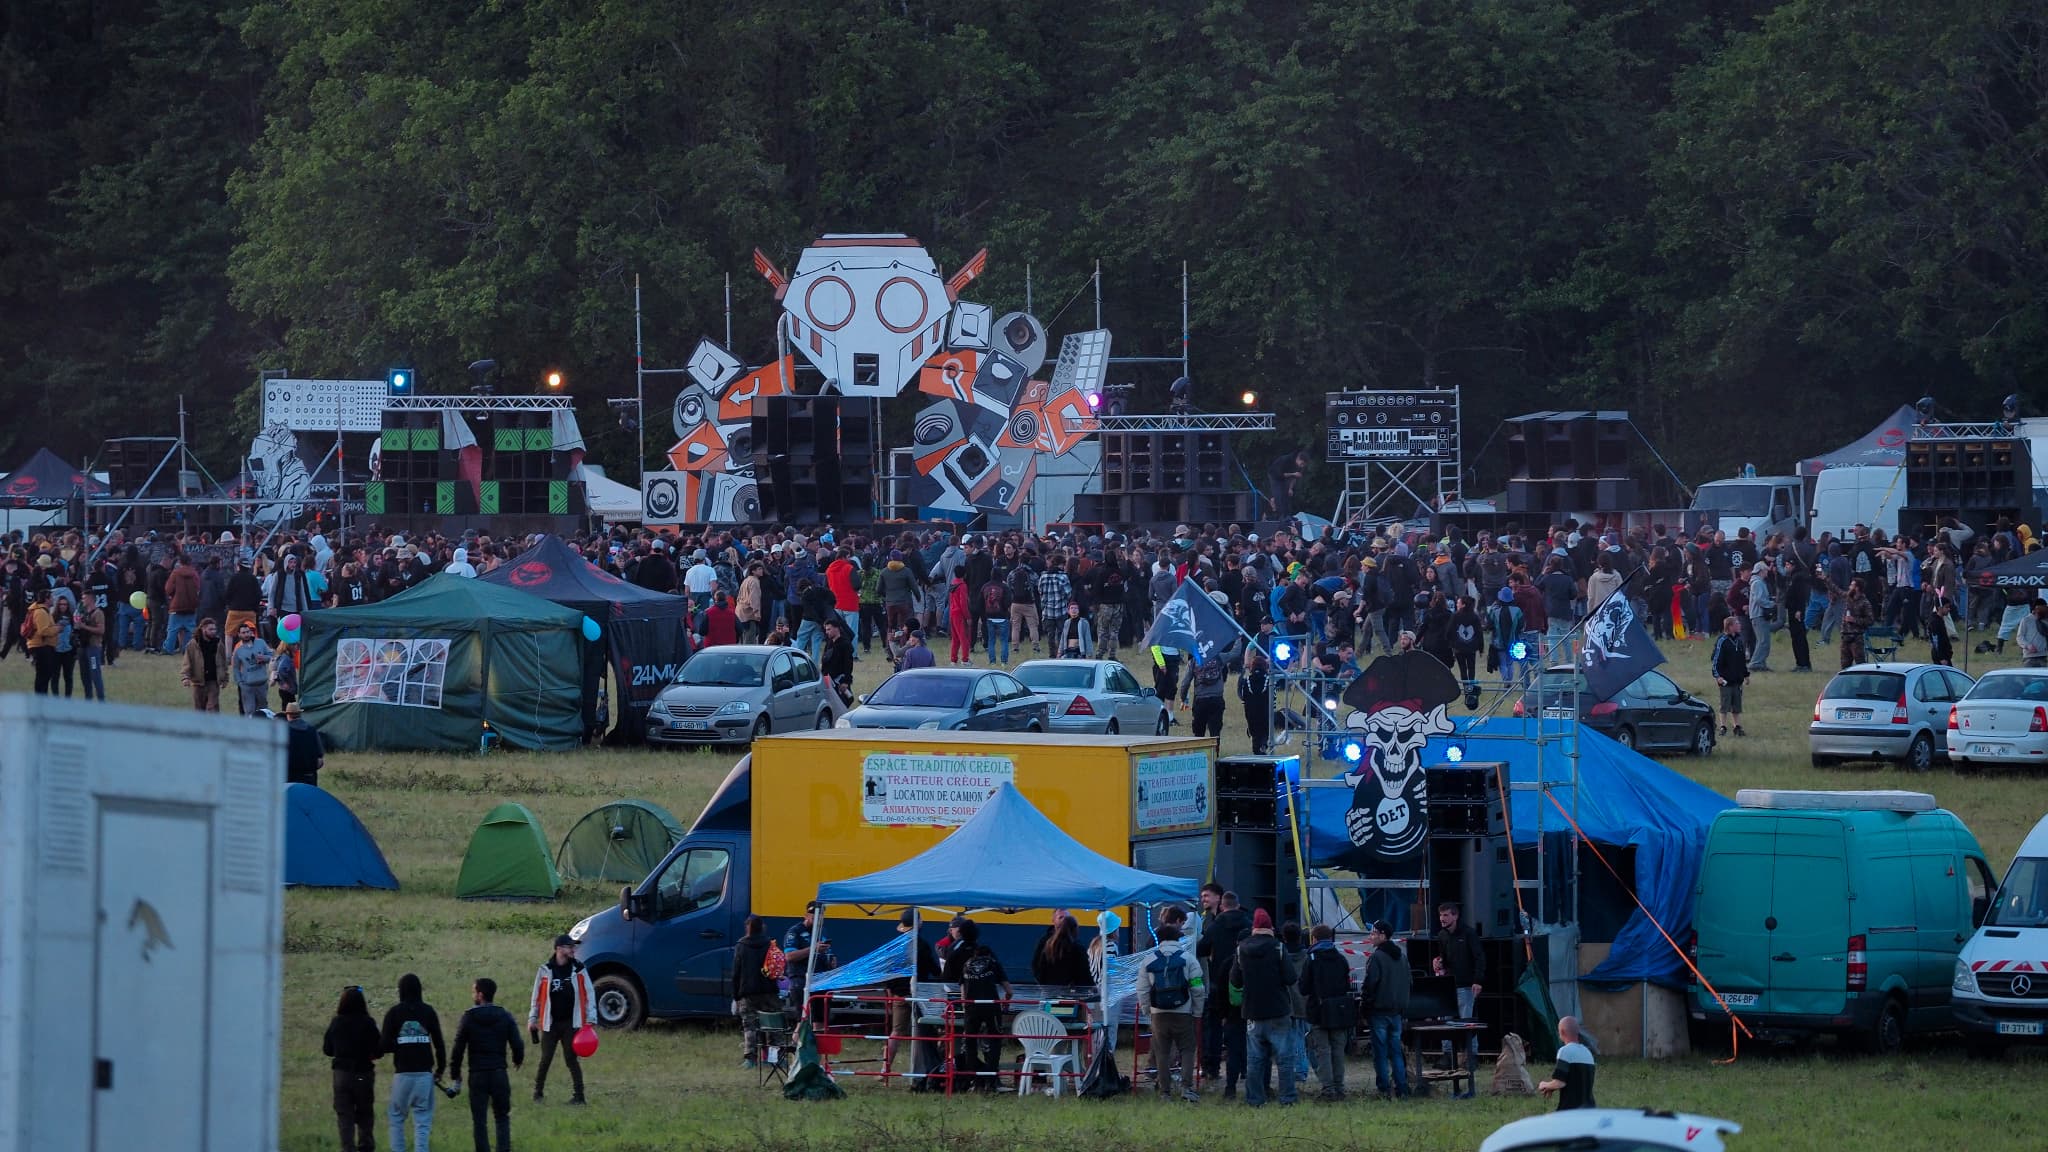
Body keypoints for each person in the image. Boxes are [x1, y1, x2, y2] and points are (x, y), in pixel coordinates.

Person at [450, 977, 524, 1152]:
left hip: (477, 1073)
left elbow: (458, 1046)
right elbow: (517, 1042)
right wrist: (517, 1059)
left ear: (480, 995)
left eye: (474, 991)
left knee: (479, 1120)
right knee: (502, 1117)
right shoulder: (504, 1015)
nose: (472, 994)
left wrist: (455, 1071)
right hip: (499, 1071)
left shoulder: (469, 1017)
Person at [1233, 908, 1299, 1107]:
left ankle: (1255, 1100)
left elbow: (1235, 981)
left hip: (1253, 1010)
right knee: (1285, 1059)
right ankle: (1287, 1099)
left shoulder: (1241, 949)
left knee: (1255, 1060)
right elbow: (1290, 977)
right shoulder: (1278, 948)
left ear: (1253, 927)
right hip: (1278, 1010)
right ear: (1270, 926)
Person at [1139, 920, 1205, 1102]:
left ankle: (1165, 1092)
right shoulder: (1188, 959)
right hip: (1183, 1011)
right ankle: (1186, 1088)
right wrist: (1198, 1012)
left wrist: (1148, 1011)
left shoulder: (1148, 960)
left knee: (1161, 1051)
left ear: (1158, 939)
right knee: (1187, 1049)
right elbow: (1198, 988)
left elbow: (1142, 990)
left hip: (1158, 1013)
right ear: (1178, 938)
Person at [380, 974, 446, 1152]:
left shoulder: (394, 1013)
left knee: (396, 1118)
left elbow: (384, 1045)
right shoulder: (428, 1011)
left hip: (402, 1074)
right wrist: (440, 1069)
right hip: (424, 1074)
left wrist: (401, 1044)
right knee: (422, 1121)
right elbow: (439, 1044)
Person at [526, 934, 593, 1105]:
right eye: (569, 946)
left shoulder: (579, 968)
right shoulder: (545, 970)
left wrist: (591, 1018)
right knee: (546, 1058)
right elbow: (537, 997)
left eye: (573, 946)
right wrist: (532, 1018)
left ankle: (579, 1096)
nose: (573, 949)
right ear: (559, 949)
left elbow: (589, 993)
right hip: (550, 1022)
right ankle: (537, 1093)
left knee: (571, 1059)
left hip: (571, 1022)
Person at [881, 910, 943, 1078]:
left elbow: (889, 971)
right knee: (925, 1030)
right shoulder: (922, 945)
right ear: (919, 923)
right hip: (918, 995)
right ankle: (924, 1068)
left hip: (899, 995)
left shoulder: (895, 946)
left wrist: (890, 990)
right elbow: (935, 970)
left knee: (896, 1032)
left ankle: (884, 1069)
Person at [323, 986, 383, 1152]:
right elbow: (379, 1049)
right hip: (363, 1074)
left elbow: (327, 1049)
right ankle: (366, 1146)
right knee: (365, 1113)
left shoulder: (336, 1022)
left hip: (342, 1074)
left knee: (345, 1116)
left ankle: (348, 1148)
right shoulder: (368, 1022)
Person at [1298, 924, 1354, 1101]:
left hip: (1319, 1011)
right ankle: (1339, 1087)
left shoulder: (1312, 959)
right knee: (1338, 1049)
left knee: (1322, 1050)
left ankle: (1328, 1089)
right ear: (1331, 938)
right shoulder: (1341, 958)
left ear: (1314, 939)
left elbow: (1304, 988)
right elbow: (1347, 985)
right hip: (1339, 1011)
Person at [1432, 901, 1483, 1096]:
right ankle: (1447, 1055)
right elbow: (1444, 957)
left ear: (1455, 916)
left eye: (1446, 915)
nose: (1443, 919)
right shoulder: (1442, 936)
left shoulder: (1468, 934)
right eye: (1441, 916)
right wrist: (1439, 963)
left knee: (1466, 1020)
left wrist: (1478, 980)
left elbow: (1479, 957)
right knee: (1446, 1021)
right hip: (1448, 984)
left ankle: (1471, 1055)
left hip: (1466, 984)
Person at [1361, 920, 1411, 1099]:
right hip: (1396, 1012)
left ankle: (1383, 1088)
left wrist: (1364, 1008)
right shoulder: (1402, 957)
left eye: (1373, 933)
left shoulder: (1377, 957)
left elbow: (1370, 985)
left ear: (1382, 935)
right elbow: (1409, 982)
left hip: (1379, 1012)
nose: (1370, 936)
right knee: (1396, 1051)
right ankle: (1402, 1087)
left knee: (1380, 1053)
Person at [957, 941, 1012, 1092]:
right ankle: (991, 1079)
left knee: (969, 1043)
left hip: (970, 1007)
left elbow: (962, 993)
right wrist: (1006, 1002)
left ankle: (973, 1078)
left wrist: (965, 1009)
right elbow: (1009, 989)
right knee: (994, 1041)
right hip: (990, 1006)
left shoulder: (966, 964)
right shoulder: (993, 963)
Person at [732, 915, 783, 1067]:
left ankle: (750, 1059)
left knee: (750, 1026)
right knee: (773, 1026)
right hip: (769, 991)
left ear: (747, 927)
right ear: (762, 927)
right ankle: (774, 1059)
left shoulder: (741, 945)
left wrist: (735, 996)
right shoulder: (770, 944)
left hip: (748, 993)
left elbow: (736, 973)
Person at [1537, 1015, 1597, 1111]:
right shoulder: (1587, 1053)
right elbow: (1576, 1080)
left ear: (1562, 1032)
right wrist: (1552, 1088)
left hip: (1570, 1111)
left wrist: (1544, 1085)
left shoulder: (1565, 1051)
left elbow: (1560, 1083)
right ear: (1578, 1032)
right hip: (1589, 1109)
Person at [781, 901, 831, 1013]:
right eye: (814, 919)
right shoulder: (795, 932)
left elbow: (825, 951)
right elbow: (789, 956)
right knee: (803, 1018)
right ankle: (799, 1030)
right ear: (806, 916)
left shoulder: (822, 931)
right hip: (801, 979)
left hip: (820, 979)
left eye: (820, 919)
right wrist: (813, 949)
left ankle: (818, 1030)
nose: (818, 923)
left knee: (820, 1017)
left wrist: (830, 960)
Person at [1711, 612, 1749, 737]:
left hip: (1737, 679)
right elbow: (1716, 660)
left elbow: (1742, 660)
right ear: (1730, 626)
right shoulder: (1722, 641)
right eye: (1737, 623)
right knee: (1725, 703)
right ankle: (1722, 726)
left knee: (1737, 704)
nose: (1739, 625)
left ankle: (1737, 726)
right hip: (1725, 679)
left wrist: (1745, 674)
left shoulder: (1739, 641)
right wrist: (1718, 676)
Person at [1031, 913, 1092, 988]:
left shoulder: (1048, 945)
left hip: (1049, 990)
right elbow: (1084, 973)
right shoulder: (1077, 948)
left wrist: (1043, 984)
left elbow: (1038, 966)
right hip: (1070, 992)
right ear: (1075, 929)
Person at [180, 616, 224, 712]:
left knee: (212, 708)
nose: (214, 631)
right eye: (210, 629)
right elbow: (187, 662)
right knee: (199, 710)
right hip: (198, 682)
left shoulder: (218, 643)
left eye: (215, 629)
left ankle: (215, 726)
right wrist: (185, 677)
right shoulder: (193, 644)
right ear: (203, 629)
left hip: (213, 681)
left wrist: (224, 678)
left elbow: (223, 662)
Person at [231, 621, 274, 716]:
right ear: (239, 634)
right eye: (243, 632)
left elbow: (272, 656)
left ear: (251, 632)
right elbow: (235, 668)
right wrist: (240, 683)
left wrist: (264, 658)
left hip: (262, 684)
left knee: (263, 710)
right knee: (249, 711)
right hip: (247, 686)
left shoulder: (261, 643)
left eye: (248, 632)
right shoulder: (238, 650)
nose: (246, 634)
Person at [284, 700, 326, 785]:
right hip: (309, 777)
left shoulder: (283, 731)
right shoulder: (312, 730)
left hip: (289, 778)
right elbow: (320, 756)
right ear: (300, 714)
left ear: (288, 715)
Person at [1239, 648, 1272, 755]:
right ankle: (1264, 744)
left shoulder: (1247, 680)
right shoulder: (1269, 680)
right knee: (1264, 730)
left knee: (1254, 732)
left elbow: (1242, 696)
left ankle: (1256, 750)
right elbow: (1273, 697)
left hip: (1251, 711)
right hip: (1265, 710)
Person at [74, 590, 106, 701]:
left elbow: (101, 630)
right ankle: (88, 700)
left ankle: (101, 700)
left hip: (93, 647)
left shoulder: (98, 613)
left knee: (95, 674)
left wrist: (84, 626)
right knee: (84, 676)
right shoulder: (82, 612)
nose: (82, 600)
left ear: (90, 599)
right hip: (82, 647)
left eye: (84, 598)